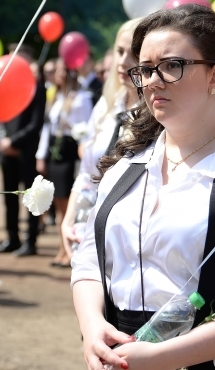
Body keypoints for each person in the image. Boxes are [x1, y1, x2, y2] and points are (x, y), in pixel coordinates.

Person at [71, 5, 215, 370]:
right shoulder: (126, 167)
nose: (152, 81)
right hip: (120, 357)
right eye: (145, 69)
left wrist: (164, 356)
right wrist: (93, 327)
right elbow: (89, 259)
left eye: (171, 66)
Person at [61, 19, 142, 260]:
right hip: (87, 230)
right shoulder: (106, 105)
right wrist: (68, 220)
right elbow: (86, 172)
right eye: (119, 51)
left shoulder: (156, 115)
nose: (123, 61)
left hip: (127, 239)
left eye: (134, 54)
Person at [36, 58, 93, 267]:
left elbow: (86, 129)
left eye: (61, 70)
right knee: (58, 202)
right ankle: (62, 248)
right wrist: (40, 156)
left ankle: (67, 250)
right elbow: (47, 128)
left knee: (68, 203)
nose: (57, 74)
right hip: (55, 151)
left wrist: (71, 126)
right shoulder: (56, 96)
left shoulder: (81, 98)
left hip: (70, 151)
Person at [0, 46, 46, 256]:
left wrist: (14, 142)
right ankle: (12, 237)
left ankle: (31, 241)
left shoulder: (37, 87)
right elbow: (1, 116)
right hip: (8, 151)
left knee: (31, 197)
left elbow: (35, 124)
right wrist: (4, 140)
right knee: (9, 196)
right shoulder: (8, 85)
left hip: (26, 152)